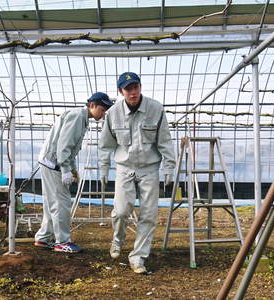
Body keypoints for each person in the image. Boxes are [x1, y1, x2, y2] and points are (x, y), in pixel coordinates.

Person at [99, 72, 176, 273]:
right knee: (122, 210)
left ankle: (138, 257)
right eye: (128, 89)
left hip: (149, 168)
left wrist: (169, 166)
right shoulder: (113, 113)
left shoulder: (155, 109)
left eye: (135, 87)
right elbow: (106, 145)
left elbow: (165, 141)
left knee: (149, 215)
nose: (133, 92)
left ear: (140, 87)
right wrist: (104, 168)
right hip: (125, 168)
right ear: (121, 92)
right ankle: (117, 239)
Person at [35, 92, 113, 253]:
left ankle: (43, 238)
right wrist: (65, 169)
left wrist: (72, 169)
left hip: (50, 162)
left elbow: (69, 146)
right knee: (61, 203)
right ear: (92, 105)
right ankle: (62, 241)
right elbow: (64, 146)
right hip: (53, 163)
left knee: (51, 202)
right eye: (102, 109)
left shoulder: (81, 117)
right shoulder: (78, 116)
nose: (104, 113)